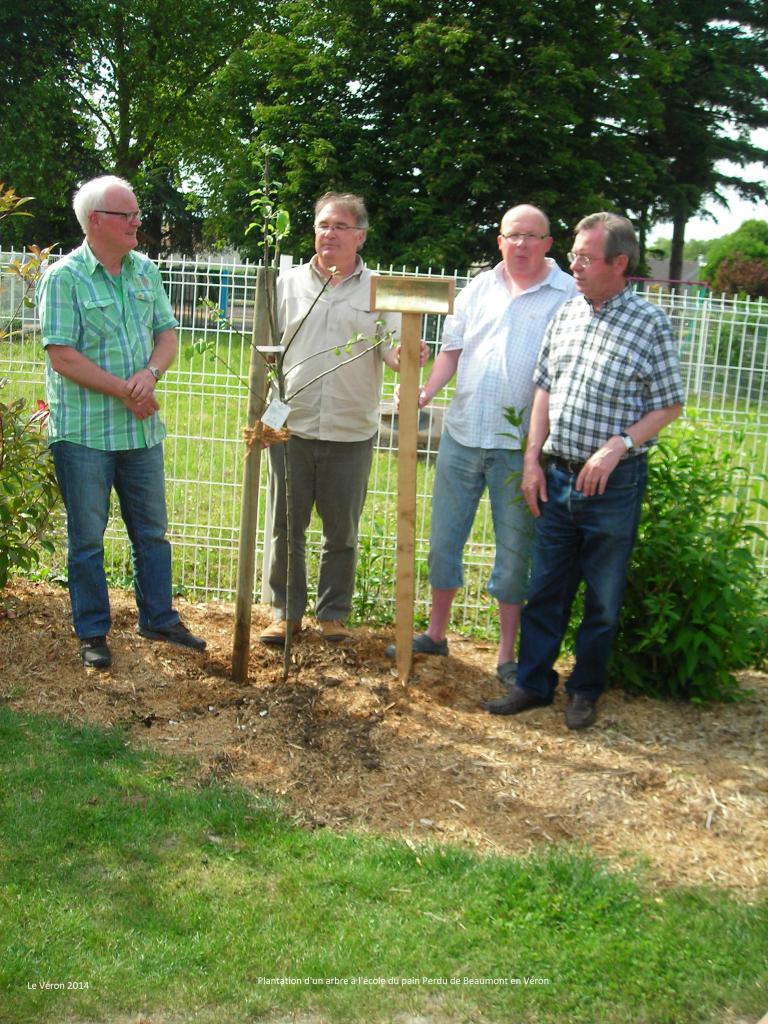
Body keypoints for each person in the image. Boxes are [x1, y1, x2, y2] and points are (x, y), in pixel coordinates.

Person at [485, 212, 684, 729]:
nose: (574, 264)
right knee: (546, 588)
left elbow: (668, 406)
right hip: (556, 476)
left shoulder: (650, 324)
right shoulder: (568, 312)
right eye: (573, 254)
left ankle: (585, 690)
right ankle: (533, 683)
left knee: (602, 599)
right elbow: (544, 389)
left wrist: (617, 446)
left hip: (612, 486)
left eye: (585, 257)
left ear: (619, 263)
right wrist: (532, 460)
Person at [386, 205, 577, 687]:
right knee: (444, 539)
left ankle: (507, 654)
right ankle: (435, 633)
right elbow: (452, 350)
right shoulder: (479, 287)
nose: (522, 245)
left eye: (533, 236)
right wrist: (425, 392)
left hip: (521, 447)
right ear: (500, 241)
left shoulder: (567, 295)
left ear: (549, 243)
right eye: (514, 236)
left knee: (514, 553)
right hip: (463, 434)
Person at [37, 174, 206, 669]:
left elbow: (167, 335)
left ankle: (159, 618)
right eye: (126, 214)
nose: (137, 222)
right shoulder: (64, 278)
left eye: (136, 213)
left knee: (152, 532)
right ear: (95, 221)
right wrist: (127, 391)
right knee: (87, 540)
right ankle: (92, 632)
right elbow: (62, 357)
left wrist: (150, 376)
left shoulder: (144, 272)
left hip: (140, 431)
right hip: (84, 435)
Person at [259, 191, 406, 645]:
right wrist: (264, 416)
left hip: (351, 429)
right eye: (324, 225)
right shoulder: (285, 284)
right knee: (286, 525)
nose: (330, 234)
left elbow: (395, 350)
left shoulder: (379, 290)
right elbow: (265, 355)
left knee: (341, 529)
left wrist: (412, 357)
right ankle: (286, 612)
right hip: (291, 427)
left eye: (341, 226)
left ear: (360, 236)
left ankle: (333, 615)